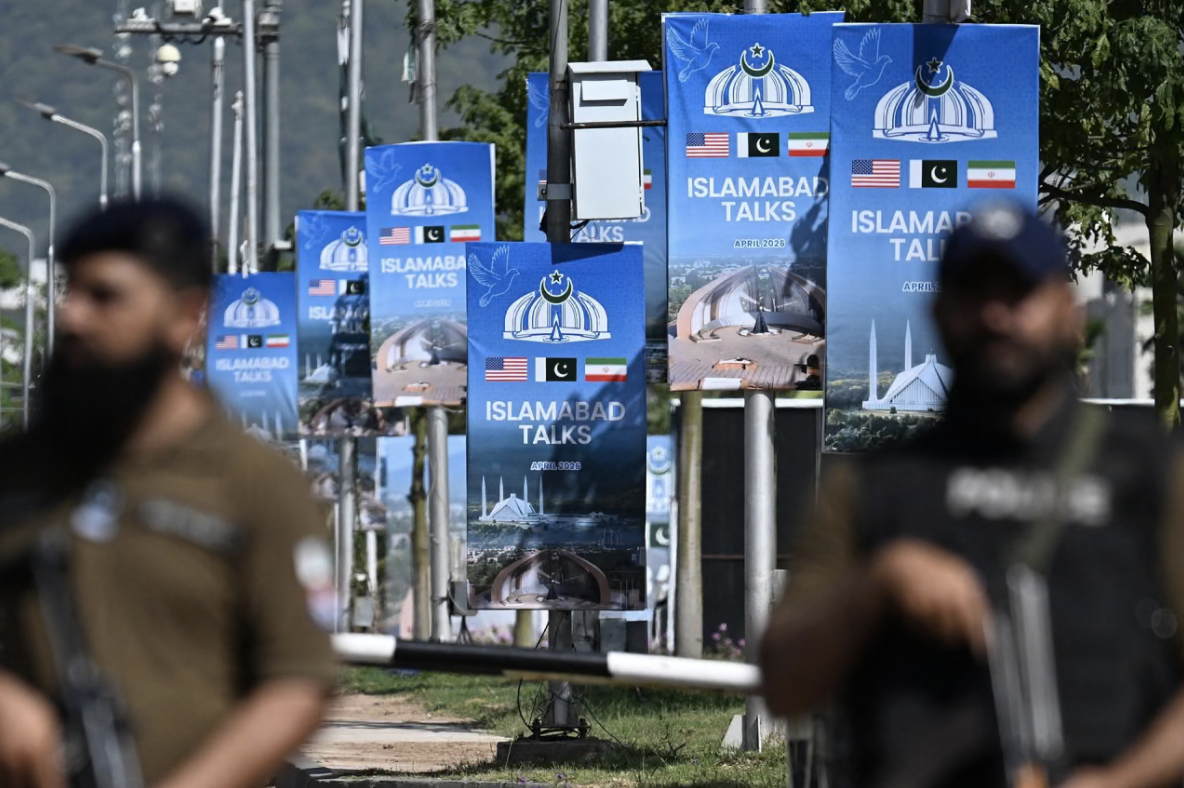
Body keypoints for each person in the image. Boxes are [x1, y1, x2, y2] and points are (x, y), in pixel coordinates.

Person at [760, 201, 1184, 788]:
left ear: (1070, 310)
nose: (996, 315)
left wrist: (1118, 781)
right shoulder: (876, 486)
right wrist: (879, 584)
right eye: (973, 294)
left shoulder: (1152, 473)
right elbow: (782, 682)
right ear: (937, 311)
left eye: (1019, 293)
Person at [0, 198, 337, 788]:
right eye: (69, 291)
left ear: (187, 316)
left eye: (105, 296)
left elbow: (298, 684)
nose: (73, 316)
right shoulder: (19, 473)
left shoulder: (255, 484)